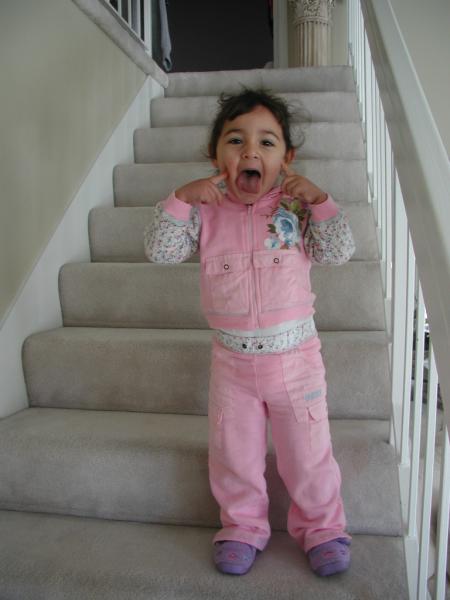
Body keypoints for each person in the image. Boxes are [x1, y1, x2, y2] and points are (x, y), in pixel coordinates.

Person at [144, 89, 355, 577]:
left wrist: (320, 202)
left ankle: (323, 528)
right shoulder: (205, 209)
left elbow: (338, 251)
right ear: (215, 154)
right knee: (233, 454)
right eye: (235, 141)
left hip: (296, 361)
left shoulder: (296, 207)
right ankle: (241, 526)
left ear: (286, 158)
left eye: (266, 142)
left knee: (308, 453)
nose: (250, 152)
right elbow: (161, 251)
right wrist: (181, 200)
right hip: (232, 365)